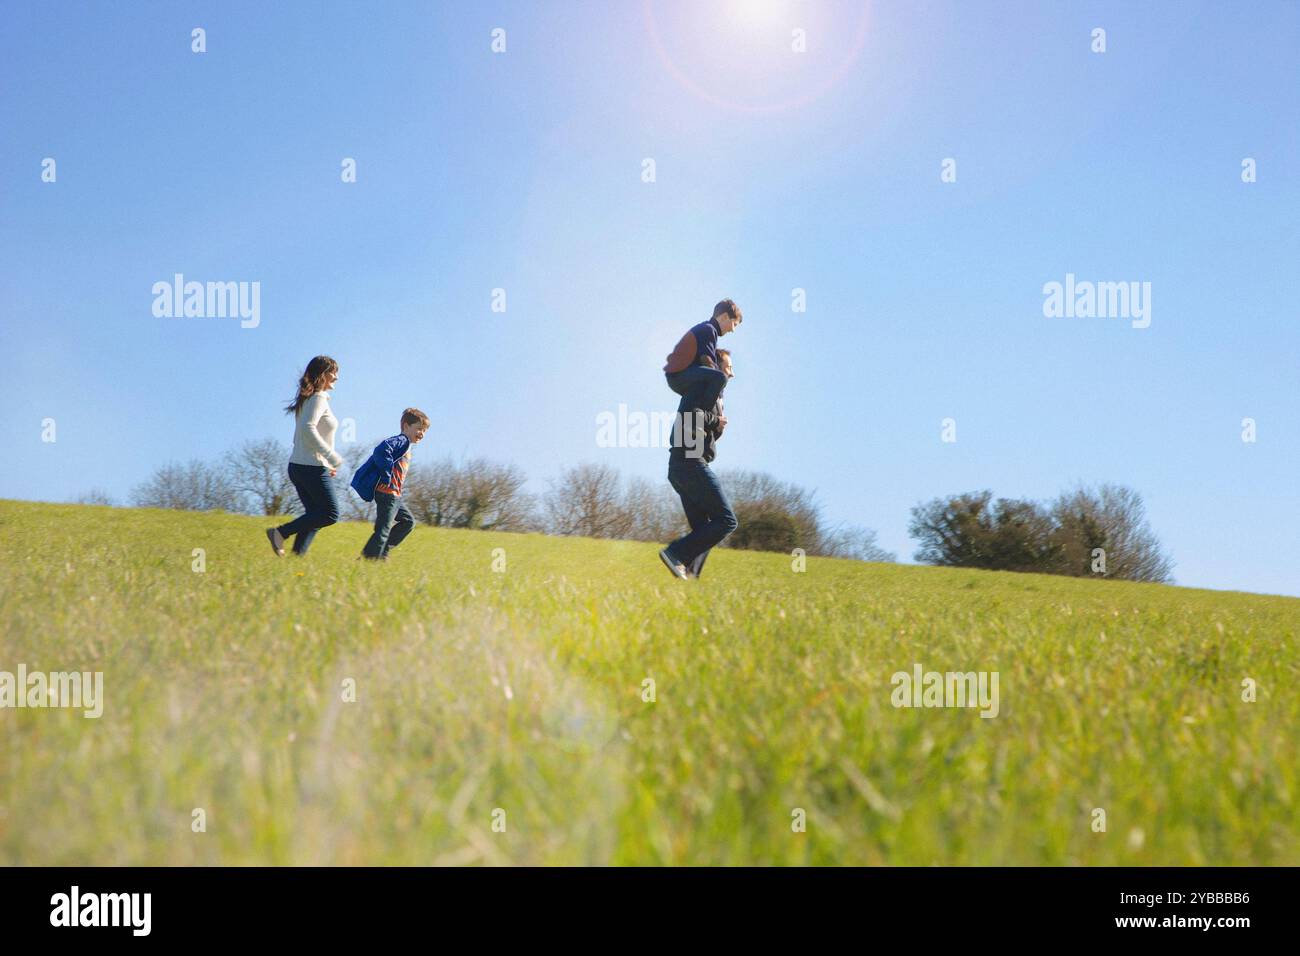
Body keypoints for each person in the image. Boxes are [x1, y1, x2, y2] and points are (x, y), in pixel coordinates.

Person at [659, 349, 738, 580]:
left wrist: (718, 428)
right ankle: (674, 553)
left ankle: (691, 578)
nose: (731, 374)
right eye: (729, 368)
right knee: (726, 520)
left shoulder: (714, 396)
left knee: (704, 531)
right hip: (689, 463)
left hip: (684, 466)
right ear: (715, 366)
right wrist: (716, 421)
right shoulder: (701, 388)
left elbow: (702, 429)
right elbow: (689, 414)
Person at [266, 356, 345, 557]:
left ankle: (296, 557)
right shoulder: (317, 398)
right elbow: (307, 429)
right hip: (310, 467)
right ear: (322, 374)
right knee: (330, 513)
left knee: (315, 516)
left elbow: (298, 436)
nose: (336, 376)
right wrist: (331, 457)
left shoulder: (308, 399)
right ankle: (280, 533)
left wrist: (327, 464)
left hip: (300, 466)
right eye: (332, 372)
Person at [351, 408, 429, 561]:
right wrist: (386, 474)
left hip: (395, 495)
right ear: (406, 426)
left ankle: (381, 551)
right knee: (383, 529)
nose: (422, 433)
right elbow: (382, 450)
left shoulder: (407, 446)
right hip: (387, 493)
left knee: (408, 522)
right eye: (419, 428)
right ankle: (369, 558)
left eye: (424, 430)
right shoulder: (402, 440)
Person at [663, 299, 742, 417]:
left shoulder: (707, 328)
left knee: (700, 386)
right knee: (720, 377)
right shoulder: (709, 329)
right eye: (733, 324)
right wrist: (718, 394)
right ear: (725, 317)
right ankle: (701, 416)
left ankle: (691, 419)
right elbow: (707, 361)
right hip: (679, 374)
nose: (732, 330)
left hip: (679, 375)